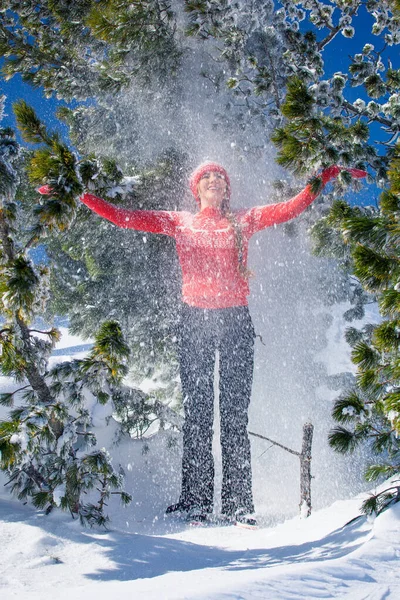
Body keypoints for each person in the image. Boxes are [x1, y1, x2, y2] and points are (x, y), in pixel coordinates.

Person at [39, 162, 366, 524]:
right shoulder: (180, 221)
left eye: (220, 177)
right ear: (196, 189)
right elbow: (124, 217)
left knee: (233, 418)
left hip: (236, 324)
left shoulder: (245, 219)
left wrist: (327, 173)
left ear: (228, 189)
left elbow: (292, 206)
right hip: (194, 322)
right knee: (197, 417)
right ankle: (195, 501)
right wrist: (80, 195)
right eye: (206, 177)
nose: (214, 180)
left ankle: (238, 505)